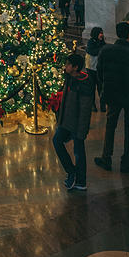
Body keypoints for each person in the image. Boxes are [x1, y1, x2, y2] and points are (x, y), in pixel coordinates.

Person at [95, 22, 129, 174]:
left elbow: (99, 72)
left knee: (110, 126)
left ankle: (106, 158)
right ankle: (126, 162)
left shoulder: (106, 50)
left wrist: (105, 86)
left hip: (113, 94)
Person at [52, 52, 94, 191]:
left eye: (68, 64)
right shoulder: (69, 78)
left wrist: (82, 130)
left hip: (77, 124)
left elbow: (85, 109)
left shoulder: (84, 83)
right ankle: (71, 171)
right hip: (66, 121)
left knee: (78, 151)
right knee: (57, 141)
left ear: (75, 67)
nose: (65, 66)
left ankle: (80, 180)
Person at [85, 26, 106, 111]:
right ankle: (92, 105)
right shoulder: (91, 42)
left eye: (102, 33)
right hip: (91, 67)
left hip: (99, 68)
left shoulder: (102, 42)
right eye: (100, 33)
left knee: (101, 87)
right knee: (92, 87)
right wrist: (101, 50)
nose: (101, 35)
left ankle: (102, 105)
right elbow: (92, 52)